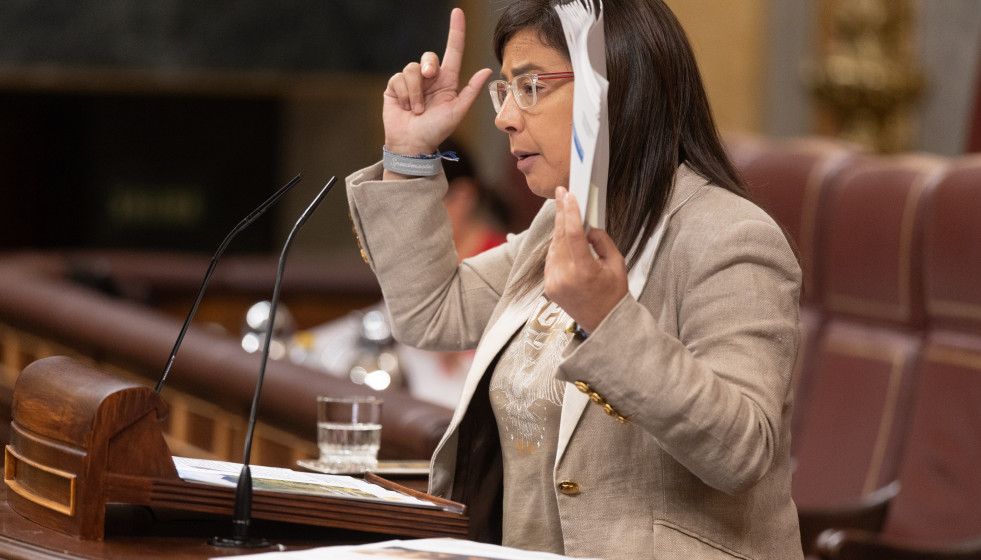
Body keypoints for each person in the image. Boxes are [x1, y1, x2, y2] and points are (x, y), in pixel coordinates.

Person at [345, 1, 803, 558]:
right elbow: (433, 311)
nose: (505, 116)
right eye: (505, 90)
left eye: (530, 86)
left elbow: (742, 452)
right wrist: (411, 155)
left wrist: (609, 321)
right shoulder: (562, 223)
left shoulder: (729, 236)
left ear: (611, 90)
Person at [302, 139, 509, 408]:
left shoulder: (502, 261)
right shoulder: (419, 258)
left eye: (418, 202)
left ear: (463, 198)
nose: (407, 220)